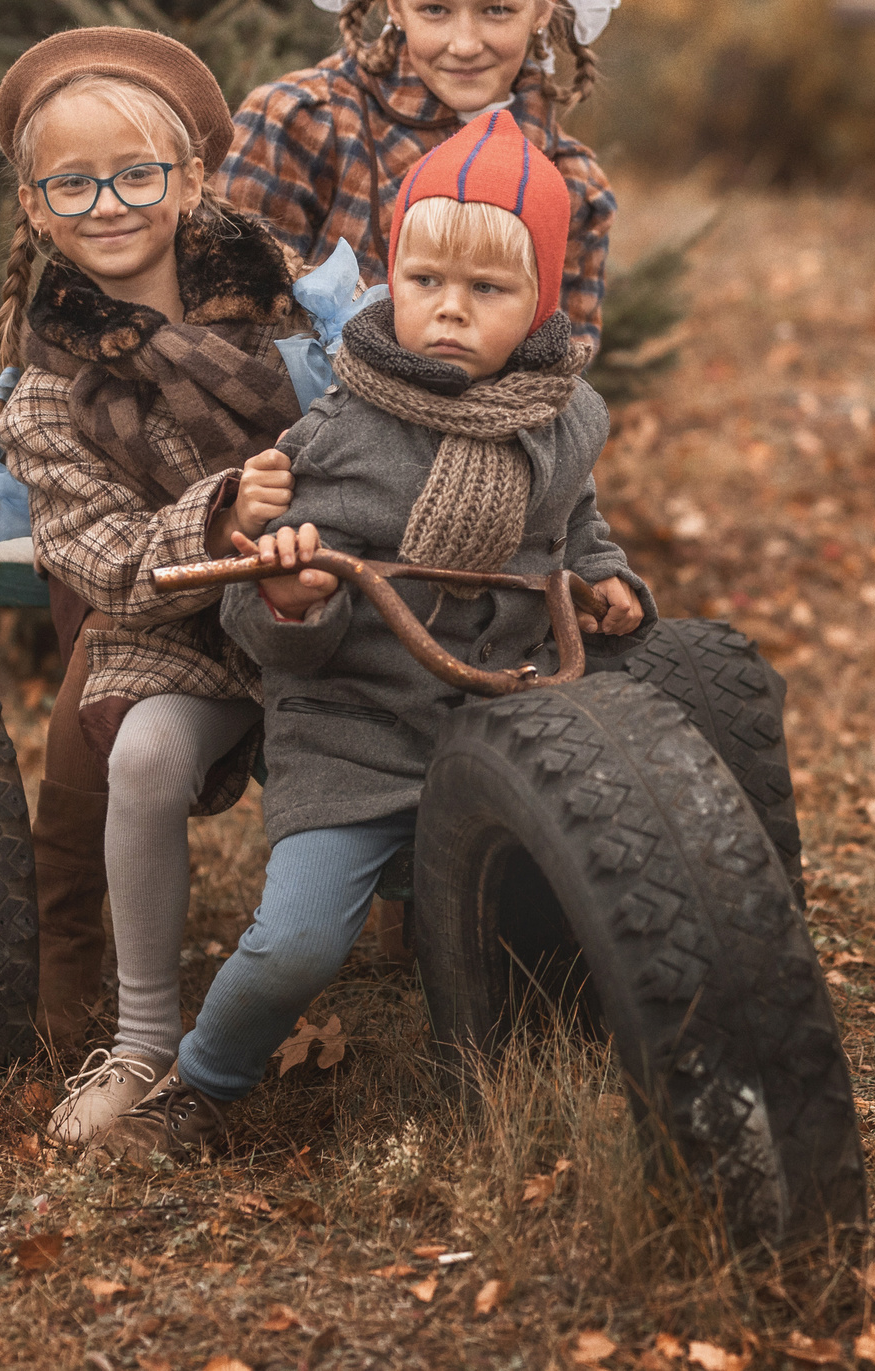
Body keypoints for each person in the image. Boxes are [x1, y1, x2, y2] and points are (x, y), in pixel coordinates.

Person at [91, 113, 651, 1163]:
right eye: (427, 278)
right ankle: (198, 1085)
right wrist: (296, 597)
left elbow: (574, 526)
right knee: (293, 946)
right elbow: (257, 625)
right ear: (393, 274)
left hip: (507, 721)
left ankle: (539, 1068)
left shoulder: (564, 419)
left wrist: (610, 584)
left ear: (541, 300)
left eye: (486, 291)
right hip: (358, 733)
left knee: (576, 913)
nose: (449, 309)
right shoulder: (340, 431)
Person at [0, 27, 305, 1146]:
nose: (108, 202)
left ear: (193, 179)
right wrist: (221, 514)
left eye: (136, 173)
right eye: (72, 182)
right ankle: (142, 1039)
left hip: (327, 594)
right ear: (34, 206)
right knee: (146, 755)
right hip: (179, 621)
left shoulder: (292, 310)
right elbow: (112, 564)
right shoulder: (43, 395)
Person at [219, 0, 621, 360]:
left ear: (543, 6)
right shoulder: (299, 122)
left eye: (496, 10)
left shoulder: (573, 183)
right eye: (436, 9)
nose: (465, 43)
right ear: (395, 1)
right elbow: (230, 329)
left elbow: (559, 381)